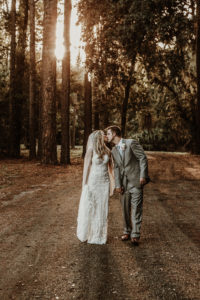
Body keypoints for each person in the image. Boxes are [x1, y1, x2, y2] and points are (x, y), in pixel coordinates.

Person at [106, 126, 149, 245]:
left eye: (108, 134)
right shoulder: (114, 150)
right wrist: (117, 184)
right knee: (125, 209)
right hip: (123, 184)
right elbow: (116, 168)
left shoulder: (131, 143)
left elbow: (142, 158)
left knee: (136, 209)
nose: (107, 136)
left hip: (136, 181)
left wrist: (143, 175)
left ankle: (135, 234)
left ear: (114, 134)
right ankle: (126, 231)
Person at [77, 130, 114, 244]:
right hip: (93, 182)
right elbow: (86, 168)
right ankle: (89, 233)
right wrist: (84, 185)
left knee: (103, 208)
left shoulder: (108, 151)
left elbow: (111, 170)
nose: (106, 135)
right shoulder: (91, 150)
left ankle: (99, 235)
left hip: (104, 182)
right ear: (99, 137)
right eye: (103, 134)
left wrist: (113, 184)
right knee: (92, 207)